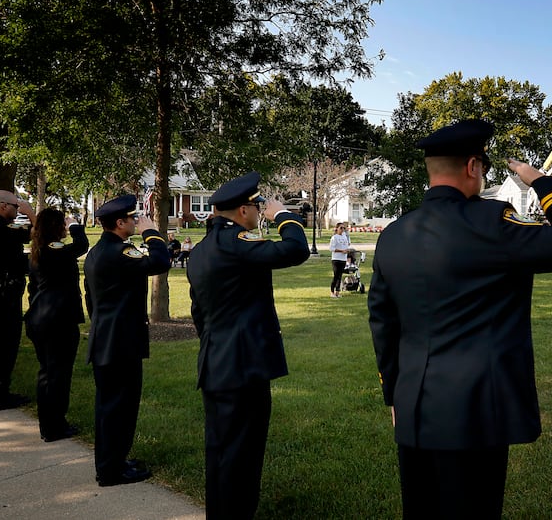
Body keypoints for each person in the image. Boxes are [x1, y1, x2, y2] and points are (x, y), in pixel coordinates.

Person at [367, 119, 552, 520]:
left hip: (415, 403)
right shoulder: (493, 222)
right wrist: (542, 182)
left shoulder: (394, 233)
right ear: (473, 167)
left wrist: (394, 394)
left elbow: (383, 323)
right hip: (476, 408)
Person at [187, 172, 309, 520]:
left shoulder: (200, 251)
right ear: (243, 211)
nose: (259, 213)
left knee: (221, 452)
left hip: (216, 361)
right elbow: (296, 249)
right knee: (243, 454)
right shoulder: (235, 242)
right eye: (256, 207)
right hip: (243, 366)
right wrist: (283, 214)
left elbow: (199, 312)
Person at [83, 195, 171, 487]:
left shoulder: (98, 251)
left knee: (110, 406)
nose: (136, 221)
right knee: (119, 407)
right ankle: (111, 471)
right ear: (119, 223)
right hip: (120, 342)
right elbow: (160, 261)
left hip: (106, 338)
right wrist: (152, 232)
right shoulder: (120, 251)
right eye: (133, 219)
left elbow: (91, 300)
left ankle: (114, 461)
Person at [25, 209, 89, 441]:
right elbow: (81, 246)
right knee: (58, 375)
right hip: (57, 321)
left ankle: (49, 423)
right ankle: (54, 426)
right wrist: (75, 225)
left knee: (47, 374)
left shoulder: (38, 251)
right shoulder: (54, 249)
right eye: (62, 223)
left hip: (40, 318)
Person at [0, 190, 36, 411]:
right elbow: (38, 235)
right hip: (2, 292)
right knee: (6, 343)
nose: (17, 210)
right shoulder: (5, 228)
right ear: (3, 206)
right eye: (15, 206)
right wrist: (31, 214)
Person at [329, 222, 351, 298]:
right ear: (337, 228)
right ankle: (332, 292)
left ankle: (337, 292)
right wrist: (341, 251)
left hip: (343, 259)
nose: (342, 230)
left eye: (343, 228)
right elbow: (331, 248)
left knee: (340, 276)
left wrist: (347, 251)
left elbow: (347, 245)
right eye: (341, 228)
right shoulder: (334, 237)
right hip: (336, 259)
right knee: (336, 275)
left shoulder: (345, 237)